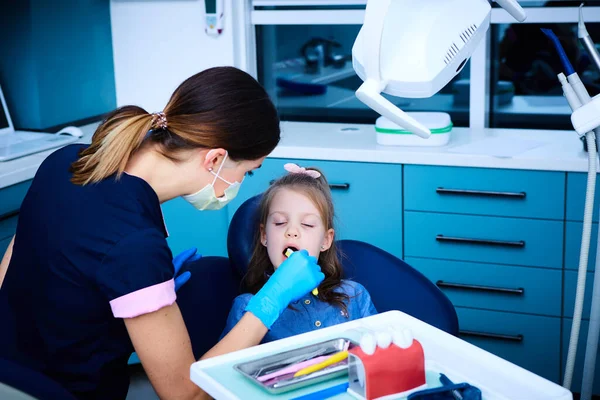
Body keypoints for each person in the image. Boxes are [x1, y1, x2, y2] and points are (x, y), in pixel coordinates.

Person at [0, 67, 324, 400]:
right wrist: (271, 301)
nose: (241, 184)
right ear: (214, 159)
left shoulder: (66, 161)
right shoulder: (135, 245)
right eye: (247, 171)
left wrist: (126, 289)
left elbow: (11, 268)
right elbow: (185, 395)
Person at [221, 163, 377, 344]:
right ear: (264, 236)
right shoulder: (246, 308)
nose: (292, 231)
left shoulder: (354, 296)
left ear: (326, 240)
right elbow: (219, 369)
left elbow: (381, 357)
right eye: (280, 223)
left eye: (308, 224)